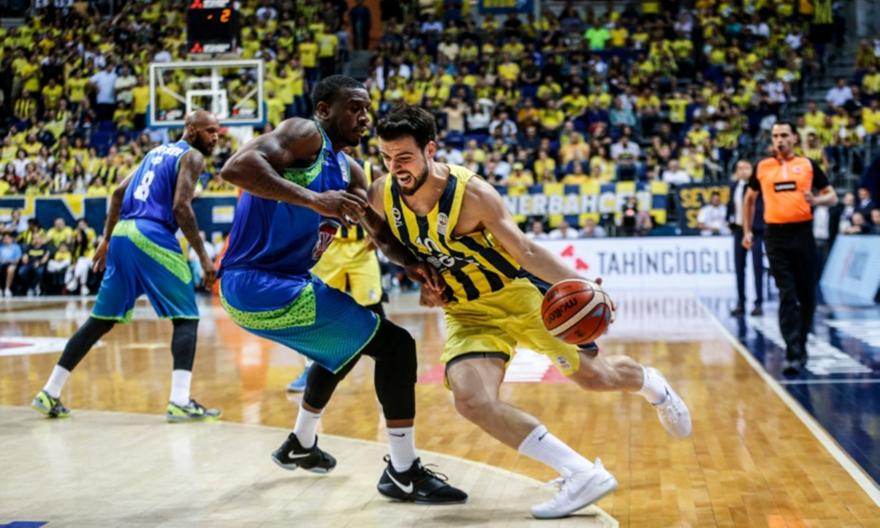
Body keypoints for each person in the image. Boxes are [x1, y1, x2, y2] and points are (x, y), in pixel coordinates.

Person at [371, 105, 691, 520]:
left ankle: (652, 384)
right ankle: (581, 473)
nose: (395, 167)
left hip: (520, 295)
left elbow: (526, 251)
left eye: (404, 157)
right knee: (471, 400)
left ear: (430, 149)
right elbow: (389, 240)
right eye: (386, 157)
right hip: (467, 312)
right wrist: (421, 277)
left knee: (597, 379)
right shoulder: (382, 194)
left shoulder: (472, 195)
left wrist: (588, 287)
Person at [217, 75, 467, 504]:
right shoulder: (304, 133)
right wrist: (314, 200)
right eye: (354, 107)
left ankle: (301, 442)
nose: (364, 116)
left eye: (367, 108)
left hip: (284, 282)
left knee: (345, 346)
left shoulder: (350, 169)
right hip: (257, 282)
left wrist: (414, 266)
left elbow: (379, 232)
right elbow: (234, 168)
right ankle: (403, 472)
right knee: (397, 347)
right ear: (324, 110)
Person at [32, 110, 222, 421]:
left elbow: (119, 192)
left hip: (122, 234)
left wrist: (106, 239)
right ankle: (179, 401)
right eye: (209, 130)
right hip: (152, 235)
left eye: (217, 132)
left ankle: (49, 392)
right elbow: (181, 207)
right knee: (186, 317)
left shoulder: (153, 153)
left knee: (100, 320)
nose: (215, 137)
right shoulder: (192, 156)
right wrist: (203, 257)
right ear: (190, 130)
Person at [742, 121, 838, 375]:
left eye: (784, 135)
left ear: (795, 138)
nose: (779, 140)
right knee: (787, 293)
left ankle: (801, 345)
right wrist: (747, 230)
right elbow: (749, 199)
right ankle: (792, 353)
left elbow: (832, 196)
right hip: (775, 236)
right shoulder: (763, 166)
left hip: (802, 234)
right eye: (775, 136)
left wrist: (816, 199)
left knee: (807, 296)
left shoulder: (807, 165)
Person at [287, 154, 385, 393]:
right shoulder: (317, 169)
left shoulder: (370, 170)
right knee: (315, 310)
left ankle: (386, 361)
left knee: (374, 306)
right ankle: (310, 368)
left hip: (362, 249)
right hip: (329, 247)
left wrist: (380, 232)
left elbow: (389, 201)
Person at [727, 160, 764, 316]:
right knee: (739, 268)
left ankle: (758, 303)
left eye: (746, 168)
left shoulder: (758, 187)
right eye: (740, 168)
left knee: (757, 267)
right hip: (738, 230)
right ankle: (741, 303)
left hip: (755, 231)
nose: (743, 171)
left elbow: (760, 207)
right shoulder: (734, 186)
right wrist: (729, 220)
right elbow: (731, 206)